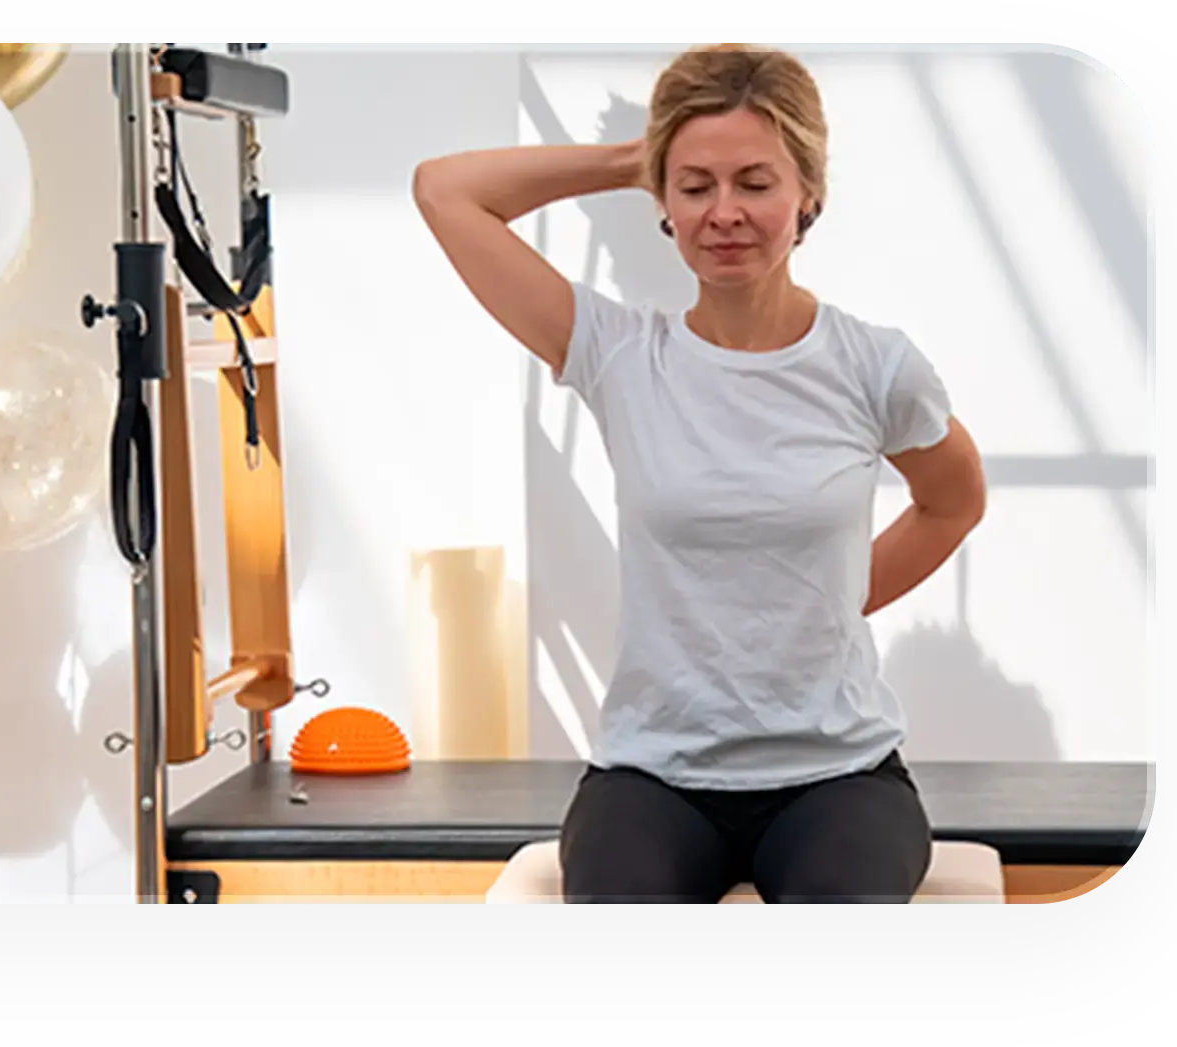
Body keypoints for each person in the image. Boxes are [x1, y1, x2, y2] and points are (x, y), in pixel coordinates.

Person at [412, 42, 987, 904]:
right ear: (662, 202)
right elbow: (444, 190)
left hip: (838, 774)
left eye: (754, 182)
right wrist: (636, 157)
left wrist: (828, 598)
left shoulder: (875, 366)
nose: (724, 212)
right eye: (693, 186)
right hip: (652, 777)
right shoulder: (616, 354)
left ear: (808, 194)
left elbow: (952, 501)